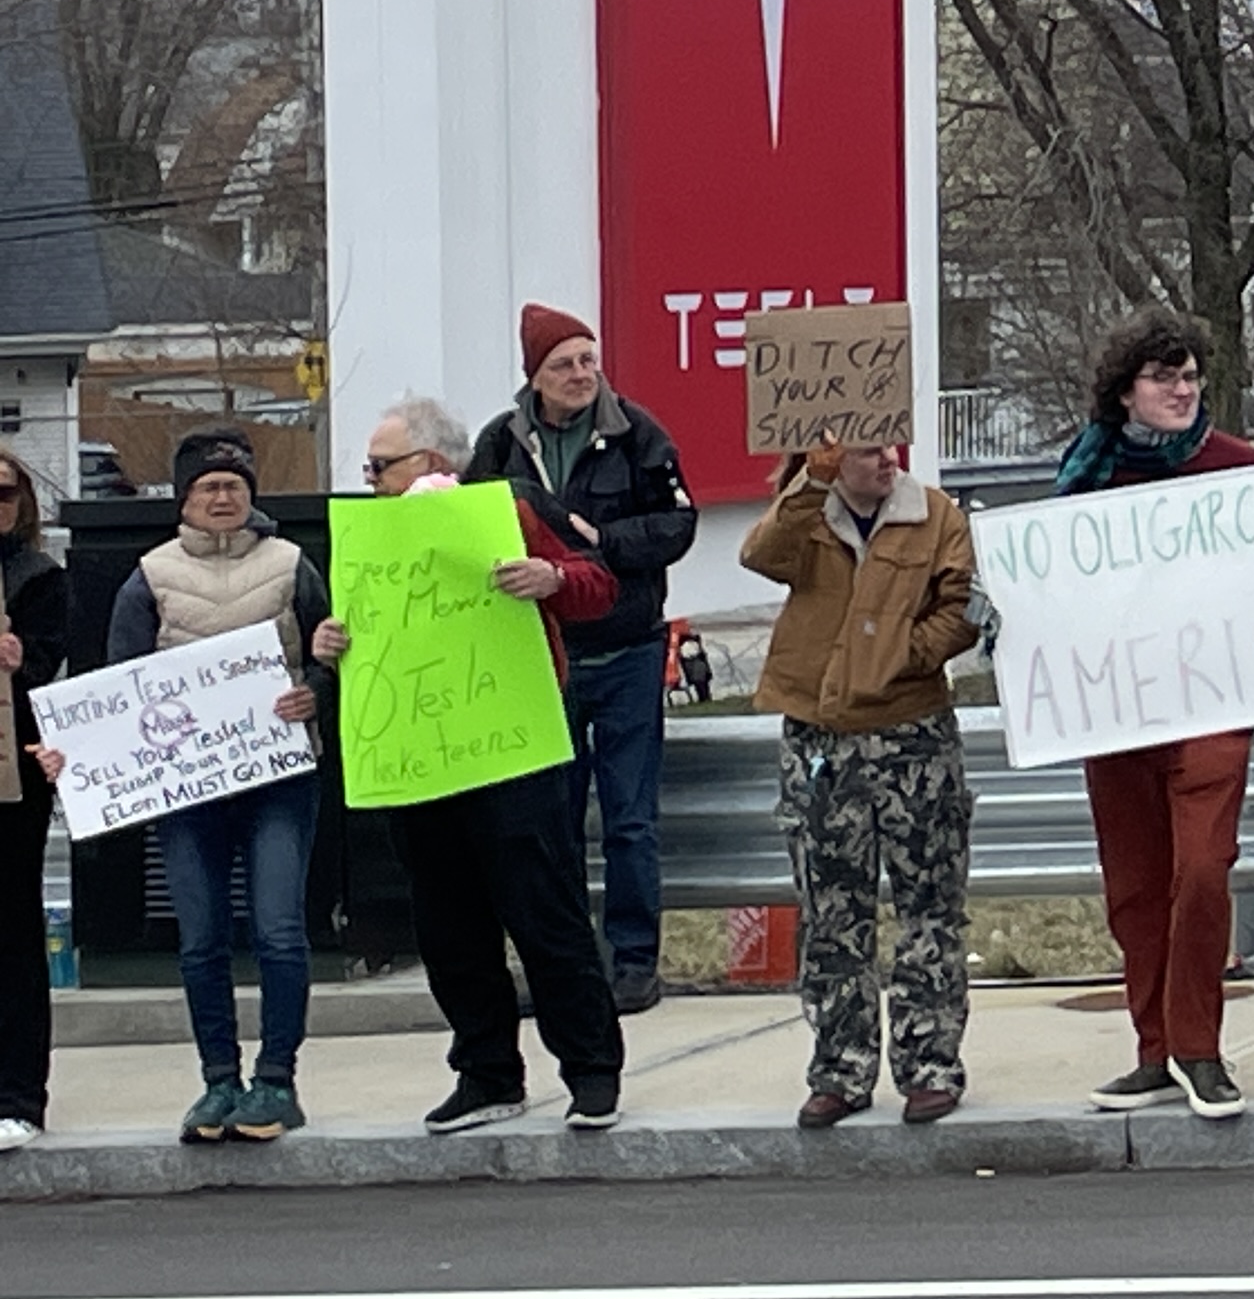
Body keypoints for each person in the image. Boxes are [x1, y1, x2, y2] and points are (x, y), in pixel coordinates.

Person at [331, 398, 627, 1133]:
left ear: (432, 465)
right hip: (418, 754)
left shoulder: (507, 510)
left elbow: (600, 586)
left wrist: (549, 580)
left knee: (543, 912)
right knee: (448, 925)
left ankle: (591, 1070)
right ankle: (487, 1072)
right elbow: (353, 633)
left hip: (510, 746)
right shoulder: (370, 541)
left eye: (381, 466)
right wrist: (331, 640)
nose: (371, 479)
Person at [50, 431, 331, 1140]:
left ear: (251, 493)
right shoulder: (148, 577)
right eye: (208, 485)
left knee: (279, 929)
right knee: (201, 938)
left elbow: (334, 655)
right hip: (189, 791)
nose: (223, 495)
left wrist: (315, 693)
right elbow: (119, 692)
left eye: (234, 484)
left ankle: (275, 1079)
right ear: (185, 497)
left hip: (280, 778)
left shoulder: (294, 564)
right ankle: (216, 1082)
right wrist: (77, 760)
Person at [1055, 308, 1254, 1121]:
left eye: (1190, 375)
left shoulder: (1238, 468)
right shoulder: (1084, 475)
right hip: (1116, 709)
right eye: (1163, 377)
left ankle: (1200, 1047)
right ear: (1124, 392)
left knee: (1204, 870)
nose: (1181, 390)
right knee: (1136, 887)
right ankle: (1156, 1050)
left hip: (1213, 704)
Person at [744, 433, 982, 1127]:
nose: (887, 462)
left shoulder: (935, 516)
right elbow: (761, 556)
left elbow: (966, 608)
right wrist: (808, 486)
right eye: (868, 451)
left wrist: (902, 656)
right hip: (822, 739)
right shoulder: (805, 515)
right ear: (831, 459)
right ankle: (841, 1070)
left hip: (914, 732)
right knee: (831, 913)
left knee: (930, 906)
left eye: (891, 448)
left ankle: (930, 1064)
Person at [466, 303, 697, 1015]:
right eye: (563, 363)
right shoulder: (501, 444)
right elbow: (467, 527)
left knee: (630, 820)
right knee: (550, 822)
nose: (580, 374)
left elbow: (678, 524)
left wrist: (601, 547)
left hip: (628, 649)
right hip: (545, 657)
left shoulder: (637, 433)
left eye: (588, 360)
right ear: (534, 374)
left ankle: (634, 962)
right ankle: (568, 965)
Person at [0, 446, 72, 1149]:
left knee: (14, 935)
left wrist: (25, 663)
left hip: (11, 779)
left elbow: (57, 678)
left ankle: (19, 1093)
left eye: (4, 493)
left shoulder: (37, 577)